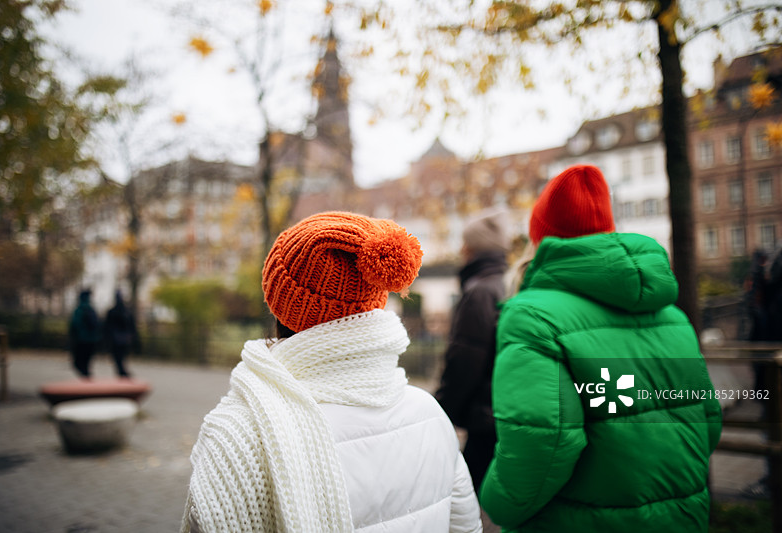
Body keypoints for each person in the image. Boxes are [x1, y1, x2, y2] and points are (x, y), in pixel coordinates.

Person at [181, 211, 482, 533]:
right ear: (375, 300)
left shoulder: (240, 432)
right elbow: (465, 527)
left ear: (278, 303)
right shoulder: (429, 413)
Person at [480, 165, 722, 533]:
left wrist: (497, 505)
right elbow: (707, 418)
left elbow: (544, 439)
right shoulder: (672, 315)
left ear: (540, 236)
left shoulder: (531, 316)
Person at [435, 209, 510, 492]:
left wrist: (441, 412)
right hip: (506, 413)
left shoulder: (479, 292)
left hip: (485, 422)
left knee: (469, 497)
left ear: (470, 248)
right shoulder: (512, 283)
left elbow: (465, 361)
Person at [103, 290, 138, 378]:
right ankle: (122, 371)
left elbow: (107, 326)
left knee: (117, 357)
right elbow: (132, 326)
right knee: (121, 357)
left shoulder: (113, 312)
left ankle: (121, 371)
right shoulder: (126, 311)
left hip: (116, 339)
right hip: (124, 338)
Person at [68, 289, 99, 378]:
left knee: (78, 361)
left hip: (81, 339)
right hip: (92, 339)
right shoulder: (92, 309)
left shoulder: (79, 310)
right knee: (87, 360)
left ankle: (84, 376)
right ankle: (86, 375)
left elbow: (75, 324)